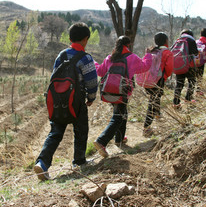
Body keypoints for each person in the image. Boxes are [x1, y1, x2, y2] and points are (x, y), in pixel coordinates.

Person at [34, 23, 98, 181]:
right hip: (77, 102)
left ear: (70, 39)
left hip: (58, 101)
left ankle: (42, 163)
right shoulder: (86, 58)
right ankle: (79, 162)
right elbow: (91, 82)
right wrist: (91, 98)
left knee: (55, 133)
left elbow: (53, 77)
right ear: (85, 39)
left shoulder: (61, 55)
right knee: (81, 131)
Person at [93, 36, 152, 157]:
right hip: (122, 91)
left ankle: (119, 139)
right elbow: (145, 67)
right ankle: (101, 141)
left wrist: (93, 62)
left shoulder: (110, 57)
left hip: (109, 90)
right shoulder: (132, 57)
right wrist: (148, 55)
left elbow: (100, 71)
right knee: (118, 117)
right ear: (128, 45)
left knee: (122, 114)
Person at [142, 32, 173, 137]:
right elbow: (169, 69)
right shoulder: (167, 52)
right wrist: (164, 77)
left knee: (154, 98)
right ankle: (146, 127)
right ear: (166, 41)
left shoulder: (151, 51)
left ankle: (158, 114)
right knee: (153, 102)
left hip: (147, 80)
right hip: (158, 81)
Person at [173, 30, 199, 107]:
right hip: (189, 66)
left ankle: (176, 102)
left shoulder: (177, 41)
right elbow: (195, 53)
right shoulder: (191, 40)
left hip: (179, 65)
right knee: (192, 82)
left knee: (179, 84)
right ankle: (188, 99)